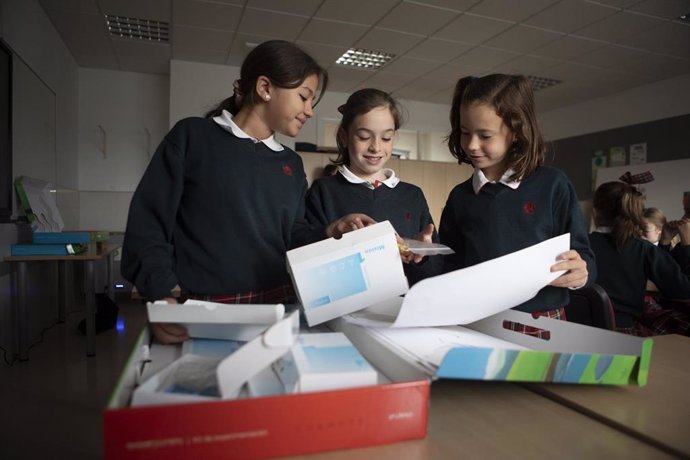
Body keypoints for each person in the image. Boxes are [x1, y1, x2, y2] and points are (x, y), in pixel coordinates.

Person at [122, 40, 373, 344]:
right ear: (266, 88)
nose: (309, 110)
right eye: (304, 97)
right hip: (204, 311)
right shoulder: (193, 138)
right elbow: (149, 222)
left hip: (279, 307)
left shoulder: (290, 164)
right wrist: (162, 295)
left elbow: (293, 235)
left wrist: (331, 230)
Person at [439, 74, 595, 336]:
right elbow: (449, 265)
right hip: (478, 321)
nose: (472, 145)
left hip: (543, 321)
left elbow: (583, 254)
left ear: (516, 131)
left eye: (485, 135)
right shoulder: (460, 197)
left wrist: (581, 273)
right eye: (465, 133)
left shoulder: (553, 185)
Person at [305, 88, 437, 285]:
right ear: (344, 137)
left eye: (386, 138)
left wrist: (422, 255)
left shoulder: (413, 195)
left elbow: (434, 271)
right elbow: (306, 256)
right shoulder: (323, 191)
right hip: (343, 308)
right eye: (364, 137)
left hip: (402, 307)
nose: (376, 147)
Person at [590, 181, 690, 336]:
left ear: (594, 213)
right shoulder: (643, 248)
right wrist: (687, 246)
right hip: (622, 333)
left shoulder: (579, 245)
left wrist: (663, 243)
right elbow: (682, 290)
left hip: (576, 329)